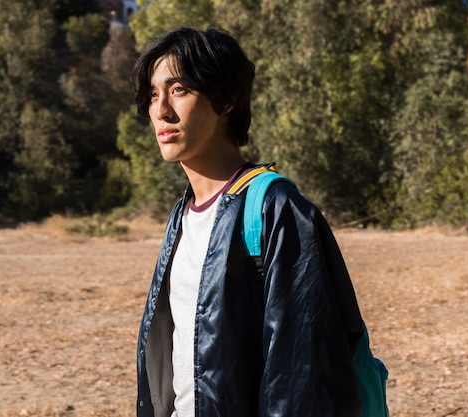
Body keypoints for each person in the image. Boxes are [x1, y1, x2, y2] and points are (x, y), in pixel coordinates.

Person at [133, 26, 366, 417]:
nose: (161, 111)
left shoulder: (275, 208)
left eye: (179, 90)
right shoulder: (182, 215)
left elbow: (303, 376)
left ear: (225, 100)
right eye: (154, 95)